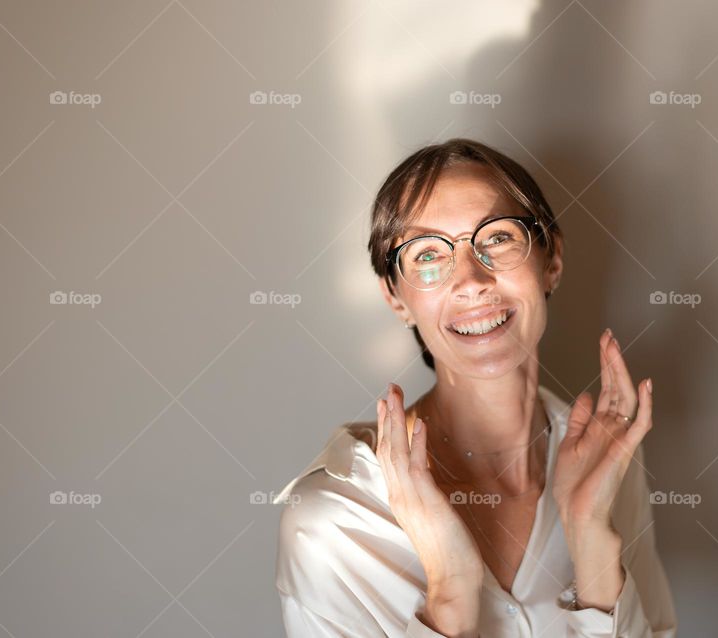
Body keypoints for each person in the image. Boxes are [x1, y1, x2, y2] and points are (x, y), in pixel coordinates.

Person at [275, 138, 677, 637]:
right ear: (396, 298)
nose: (470, 280)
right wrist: (450, 590)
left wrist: (591, 540)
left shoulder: (609, 458)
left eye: (497, 239)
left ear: (550, 260)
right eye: (427, 254)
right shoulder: (332, 523)